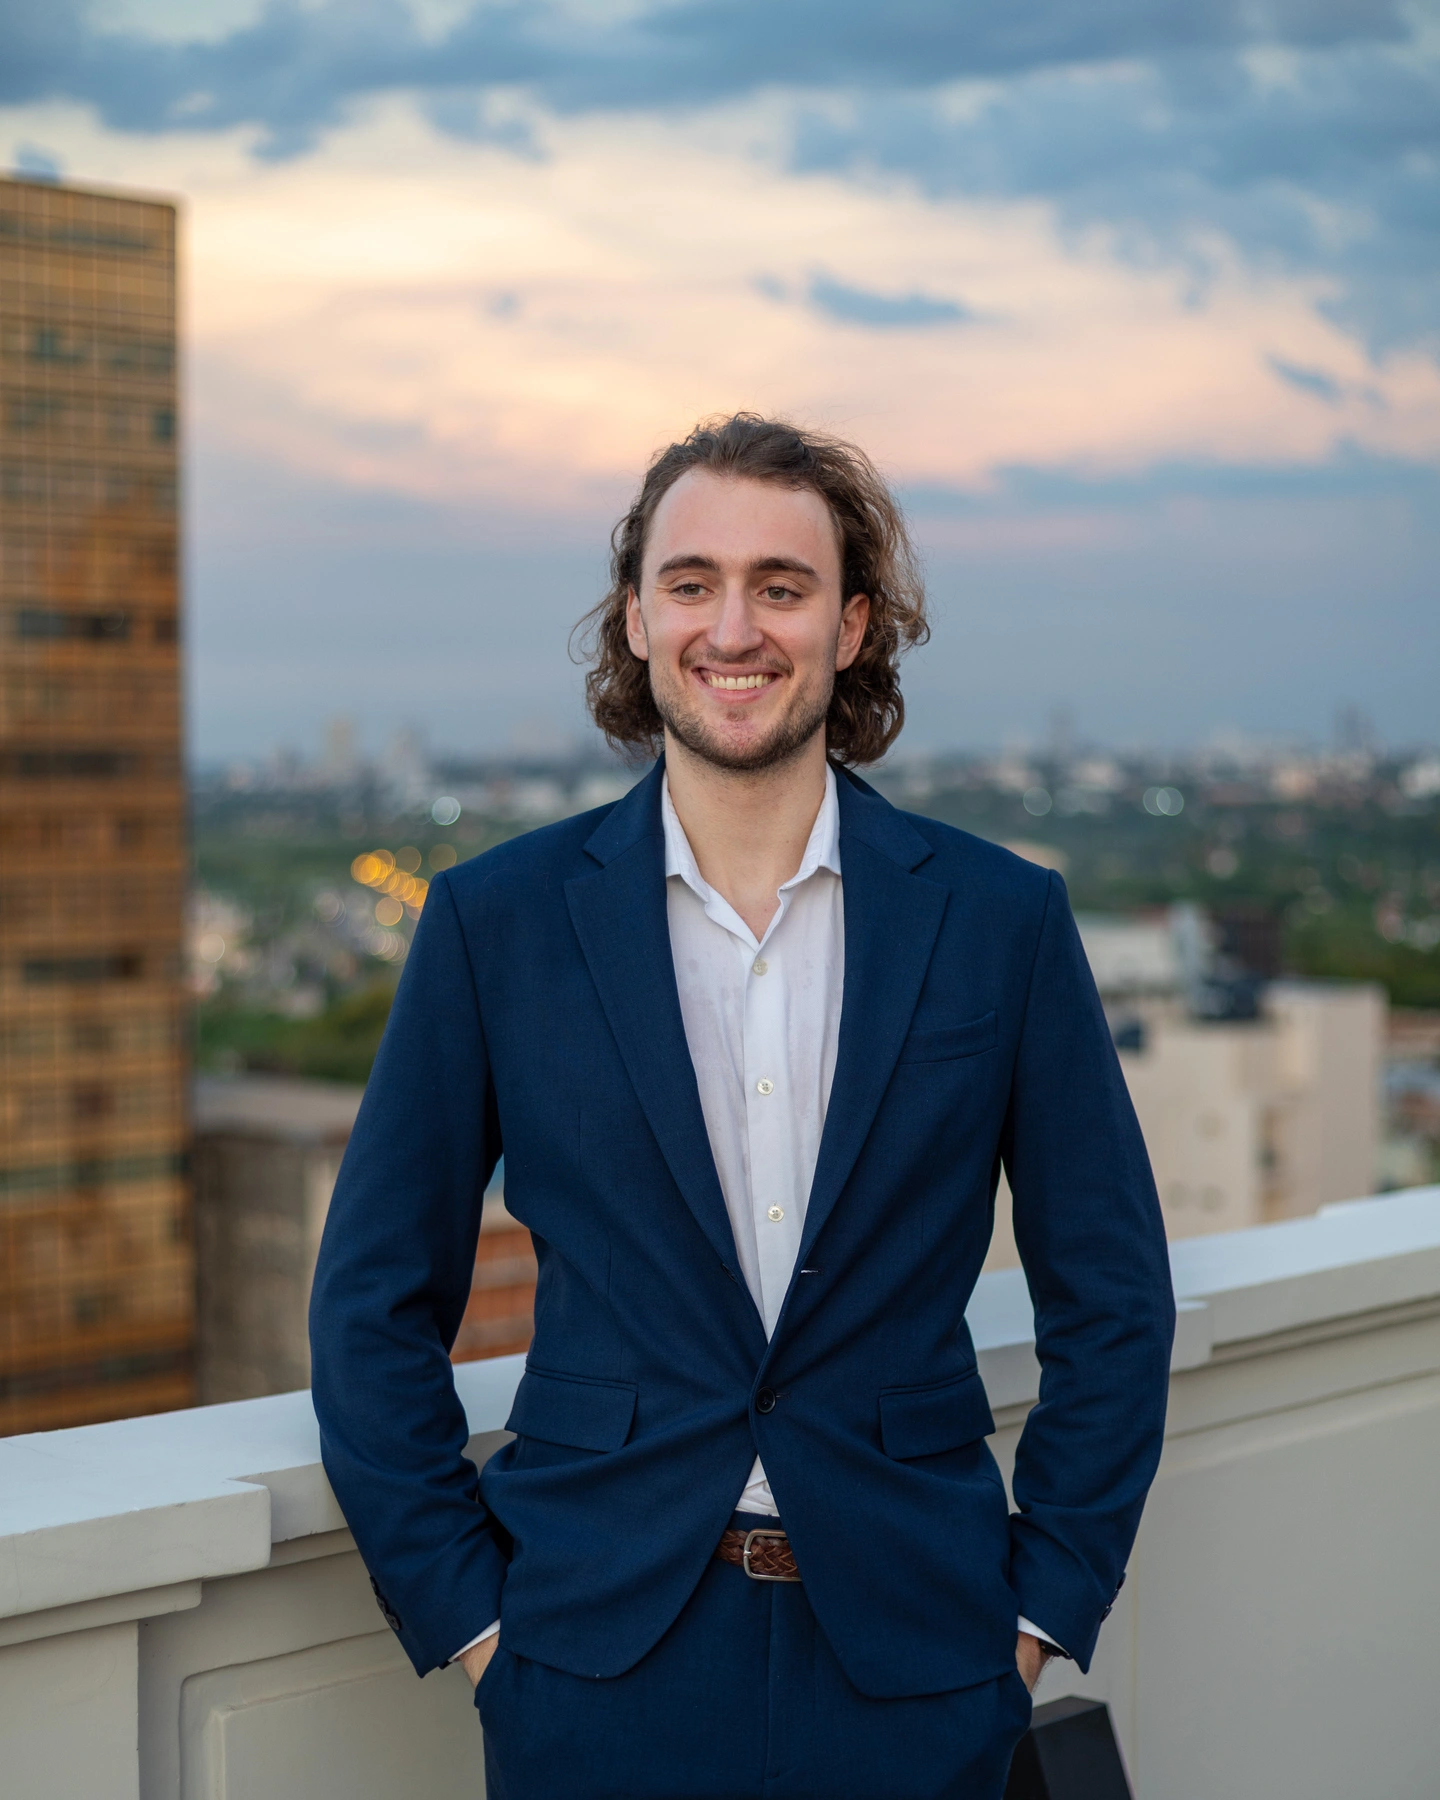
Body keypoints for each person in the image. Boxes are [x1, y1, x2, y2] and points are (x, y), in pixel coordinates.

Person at [309, 413, 1175, 1800]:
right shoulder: (497, 923)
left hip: (917, 1664)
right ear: (638, 620)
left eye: (783, 585)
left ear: (851, 626)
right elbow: (369, 1306)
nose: (736, 627)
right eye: (692, 581)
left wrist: (1029, 1624)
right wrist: (480, 1631)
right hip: (594, 1670)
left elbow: (1116, 1301)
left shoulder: (1002, 921)